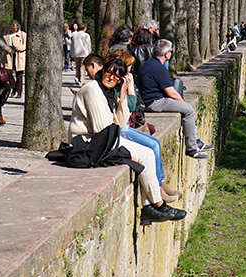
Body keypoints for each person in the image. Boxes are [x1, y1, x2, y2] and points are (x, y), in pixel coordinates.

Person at [69, 57, 185, 224]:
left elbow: (121, 122)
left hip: (104, 139)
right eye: (109, 72)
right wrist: (122, 155)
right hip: (87, 143)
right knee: (144, 155)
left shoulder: (109, 91)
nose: (111, 77)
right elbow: (103, 128)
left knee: (148, 152)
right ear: (103, 71)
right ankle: (158, 205)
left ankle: (149, 208)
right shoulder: (92, 89)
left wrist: (122, 94)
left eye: (117, 76)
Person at [137, 39, 210, 159]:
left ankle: (197, 141)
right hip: (155, 103)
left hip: (147, 101)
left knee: (184, 102)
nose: (171, 53)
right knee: (189, 110)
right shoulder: (159, 68)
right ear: (167, 54)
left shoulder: (148, 64)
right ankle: (192, 148)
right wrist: (185, 104)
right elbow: (171, 93)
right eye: (171, 51)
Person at [3, 20, 27, 99]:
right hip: (8, 55)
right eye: (11, 28)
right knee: (8, 72)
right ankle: (14, 87)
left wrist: (18, 48)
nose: (13, 30)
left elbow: (25, 45)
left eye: (14, 28)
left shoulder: (23, 34)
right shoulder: (6, 34)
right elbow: (2, 44)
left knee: (19, 74)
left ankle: (19, 91)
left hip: (18, 55)